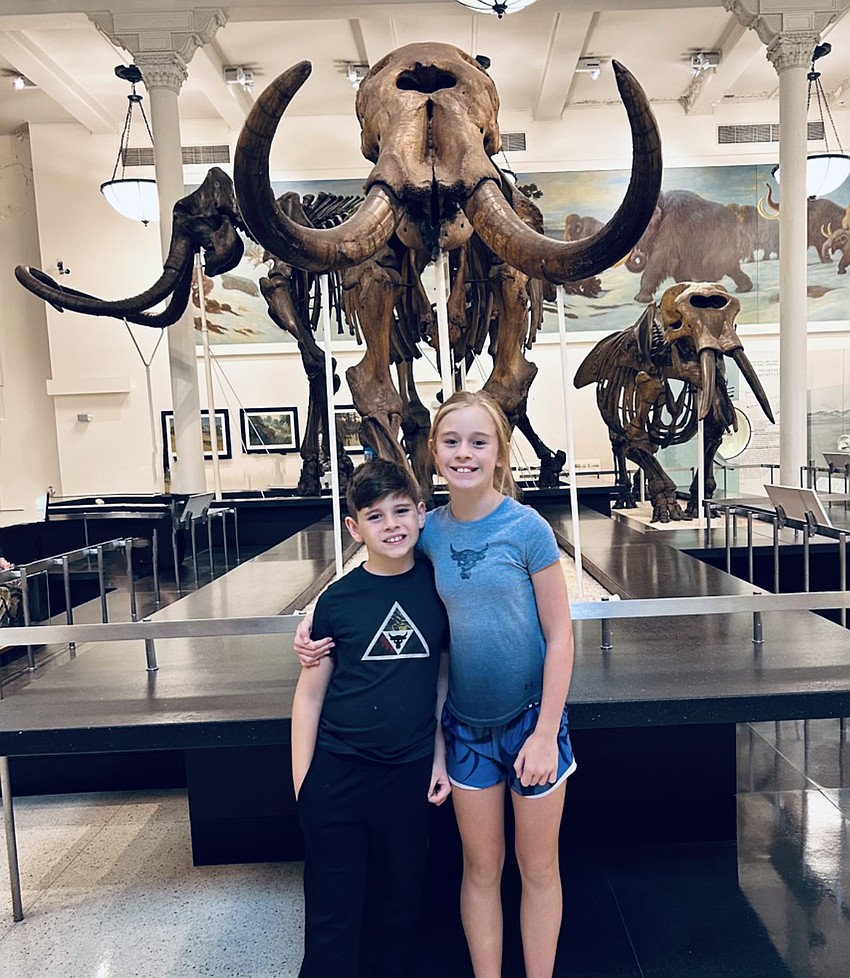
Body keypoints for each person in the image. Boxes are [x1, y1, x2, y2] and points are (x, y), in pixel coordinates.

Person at [296, 390, 576, 978]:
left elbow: (560, 636)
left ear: (500, 452)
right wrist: (314, 616)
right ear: (434, 452)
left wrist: (547, 731)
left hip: (532, 722)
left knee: (539, 867)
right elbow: (381, 556)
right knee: (481, 869)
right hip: (467, 731)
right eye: (452, 442)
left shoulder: (528, 530)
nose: (464, 454)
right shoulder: (428, 532)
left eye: (479, 442)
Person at [291, 457, 450, 978]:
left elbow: (443, 681)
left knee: (398, 911)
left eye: (401, 511)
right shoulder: (335, 602)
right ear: (354, 529)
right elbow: (310, 694)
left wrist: (438, 757)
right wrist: (304, 785)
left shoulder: (438, 590)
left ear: (422, 514)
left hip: (406, 776)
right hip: (337, 776)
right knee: (333, 916)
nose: (392, 525)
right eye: (376, 517)